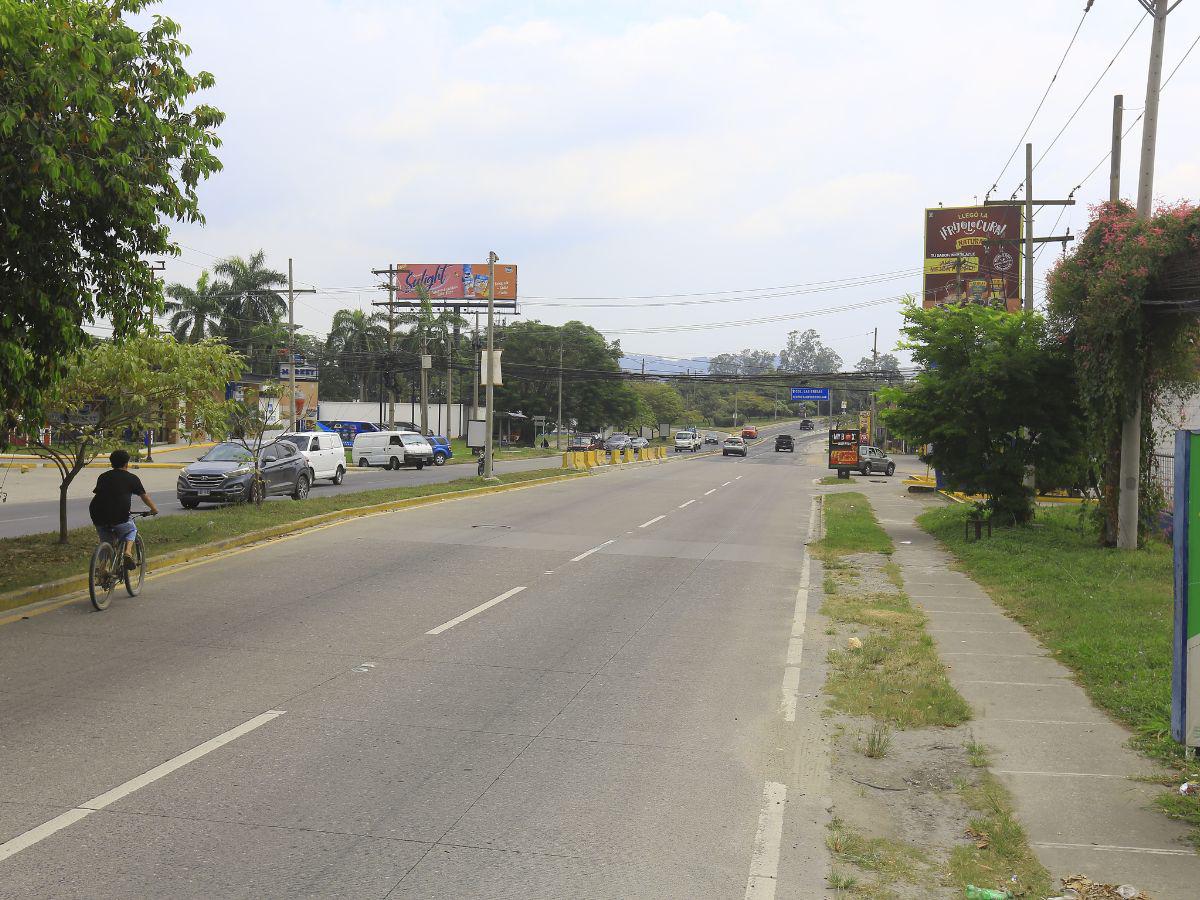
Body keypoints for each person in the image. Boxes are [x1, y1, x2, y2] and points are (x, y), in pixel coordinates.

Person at [89, 449, 158, 569]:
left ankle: (102, 569)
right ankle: (128, 552)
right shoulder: (132, 478)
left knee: (106, 541)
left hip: (97, 514)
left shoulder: (103, 476)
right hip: (119, 515)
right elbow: (144, 497)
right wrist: (154, 509)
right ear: (127, 463)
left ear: (111, 463)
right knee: (132, 529)